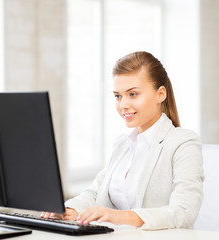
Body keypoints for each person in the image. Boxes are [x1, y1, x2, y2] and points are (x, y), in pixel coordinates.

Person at [41, 51, 204, 230]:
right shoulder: (123, 143)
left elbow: (183, 212)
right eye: (118, 96)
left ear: (160, 94)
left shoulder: (183, 143)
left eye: (133, 94)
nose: (123, 105)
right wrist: (69, 209)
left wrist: (118, 217)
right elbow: (95, 193)